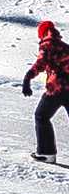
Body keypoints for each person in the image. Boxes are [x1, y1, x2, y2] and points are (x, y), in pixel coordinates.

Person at [24, 17, 67, 166]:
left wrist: (27, 78)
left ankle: (46, 153)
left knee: (41, 116)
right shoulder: (63, 45)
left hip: (56, 88)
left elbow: (40, 63)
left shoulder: (47, 45)